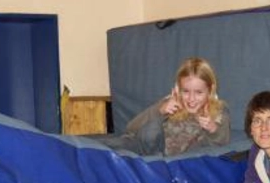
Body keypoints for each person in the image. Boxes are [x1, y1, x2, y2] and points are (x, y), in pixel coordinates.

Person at [99, 57, 231, 156]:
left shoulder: (217, 110)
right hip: (141, 146)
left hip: (164, 157)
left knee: (150, 131)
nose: (191, 99)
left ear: (210, 89)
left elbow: (222, 140)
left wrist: (213, 128)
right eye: (185, 91)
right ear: (178, 88)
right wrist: (159, 110)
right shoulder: (171, 102)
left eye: (199, 92)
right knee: (103, 146)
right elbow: (131, 128)